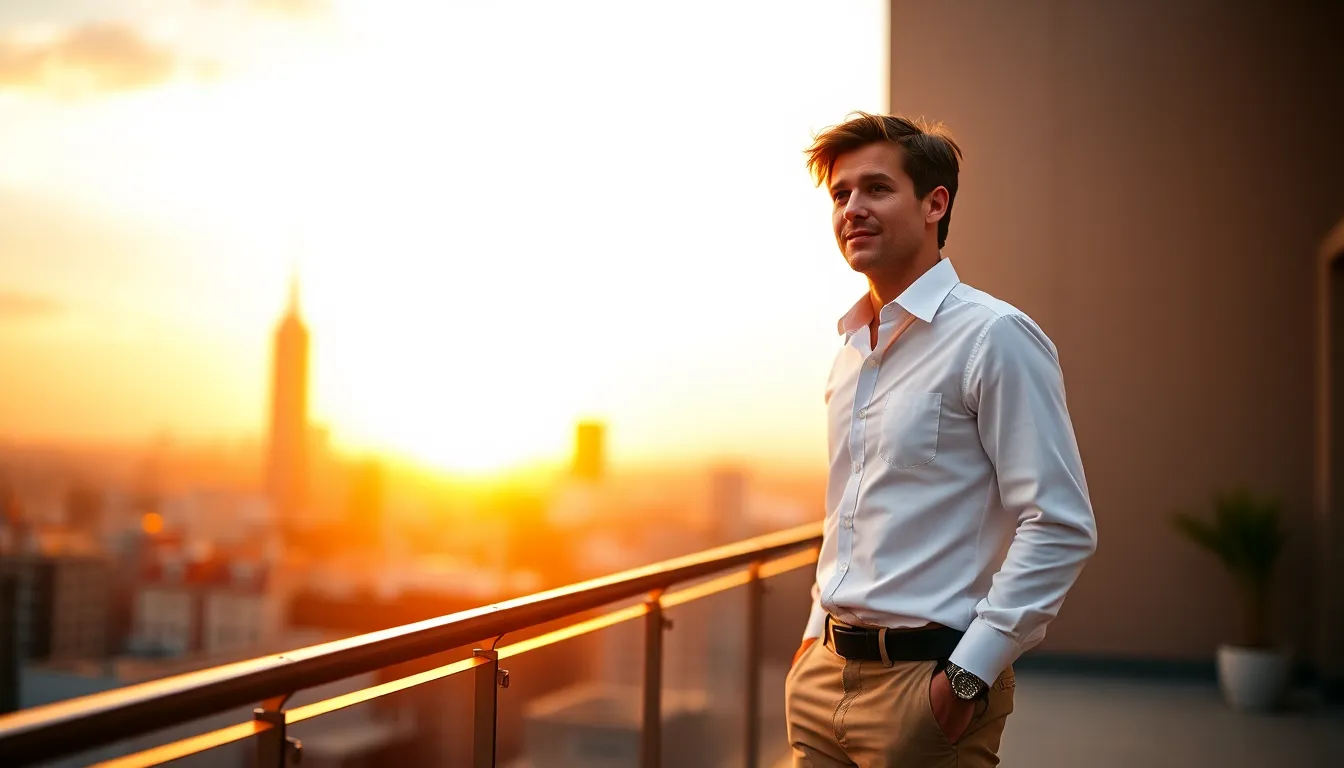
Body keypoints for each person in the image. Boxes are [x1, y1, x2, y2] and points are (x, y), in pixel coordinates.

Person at [784, 112, 1098, 767]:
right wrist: (813, 638)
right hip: (821, 682)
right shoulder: (850, 353)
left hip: (928, 688)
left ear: (935, 204)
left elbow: (1059, 523)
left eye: (876, 188)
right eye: (840, 194)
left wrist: (967, 676)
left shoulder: (994, 336)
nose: (852, 208)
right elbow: (844, 513)